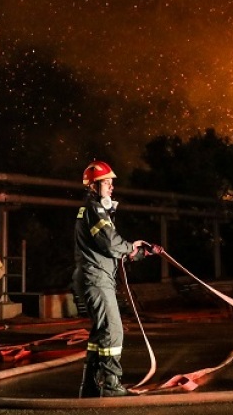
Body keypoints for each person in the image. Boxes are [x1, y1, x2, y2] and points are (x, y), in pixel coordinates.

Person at [73, 160, 161, 398]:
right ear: (93, 186)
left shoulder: (92, 210)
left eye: (112, 183)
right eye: (107, 183)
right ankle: (111, 385)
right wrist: (131, 247)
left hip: (95, 276)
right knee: (113, 331)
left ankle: (90, 386)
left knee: (100, 333)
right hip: (96, 279)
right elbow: (112, 244)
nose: (112, 187)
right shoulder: (95, 210)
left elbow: (110, 248)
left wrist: (140, 252)